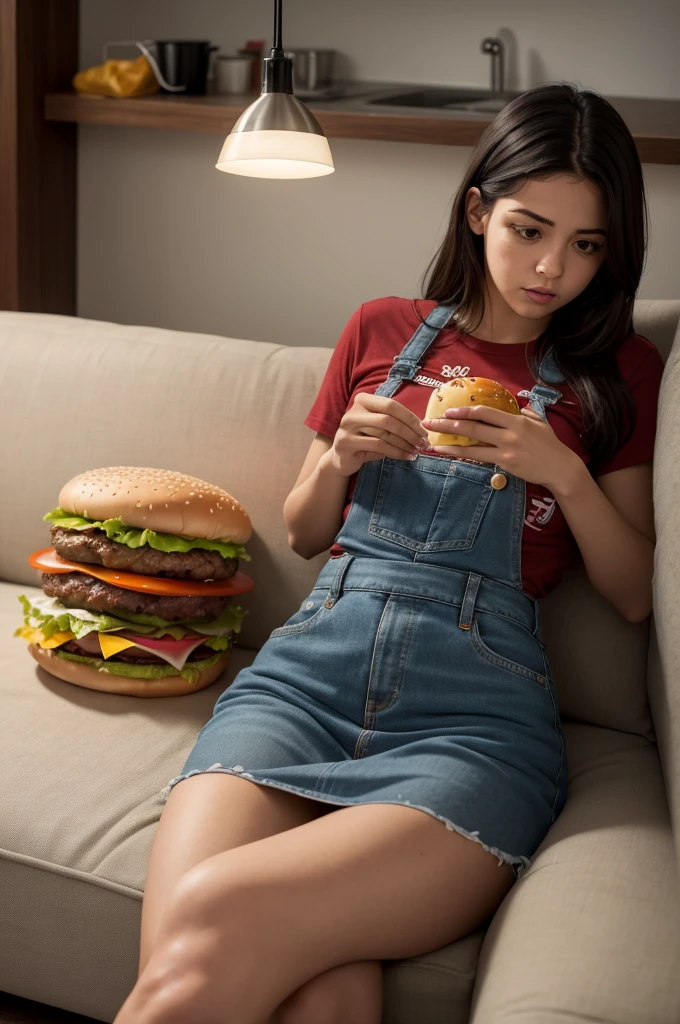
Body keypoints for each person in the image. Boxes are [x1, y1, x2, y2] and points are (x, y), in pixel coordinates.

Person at [114, 82, 663, 1024]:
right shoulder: (382, 329)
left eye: (586, 245)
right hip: (302, 682)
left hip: (473, 724)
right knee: (326, 990)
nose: (550, 269)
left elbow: (633, 596)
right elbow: (300, 529)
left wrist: (563, 473)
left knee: (215, 907)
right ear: (479, 209)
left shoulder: (620, 377)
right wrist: (340, 455)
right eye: (529, 230)